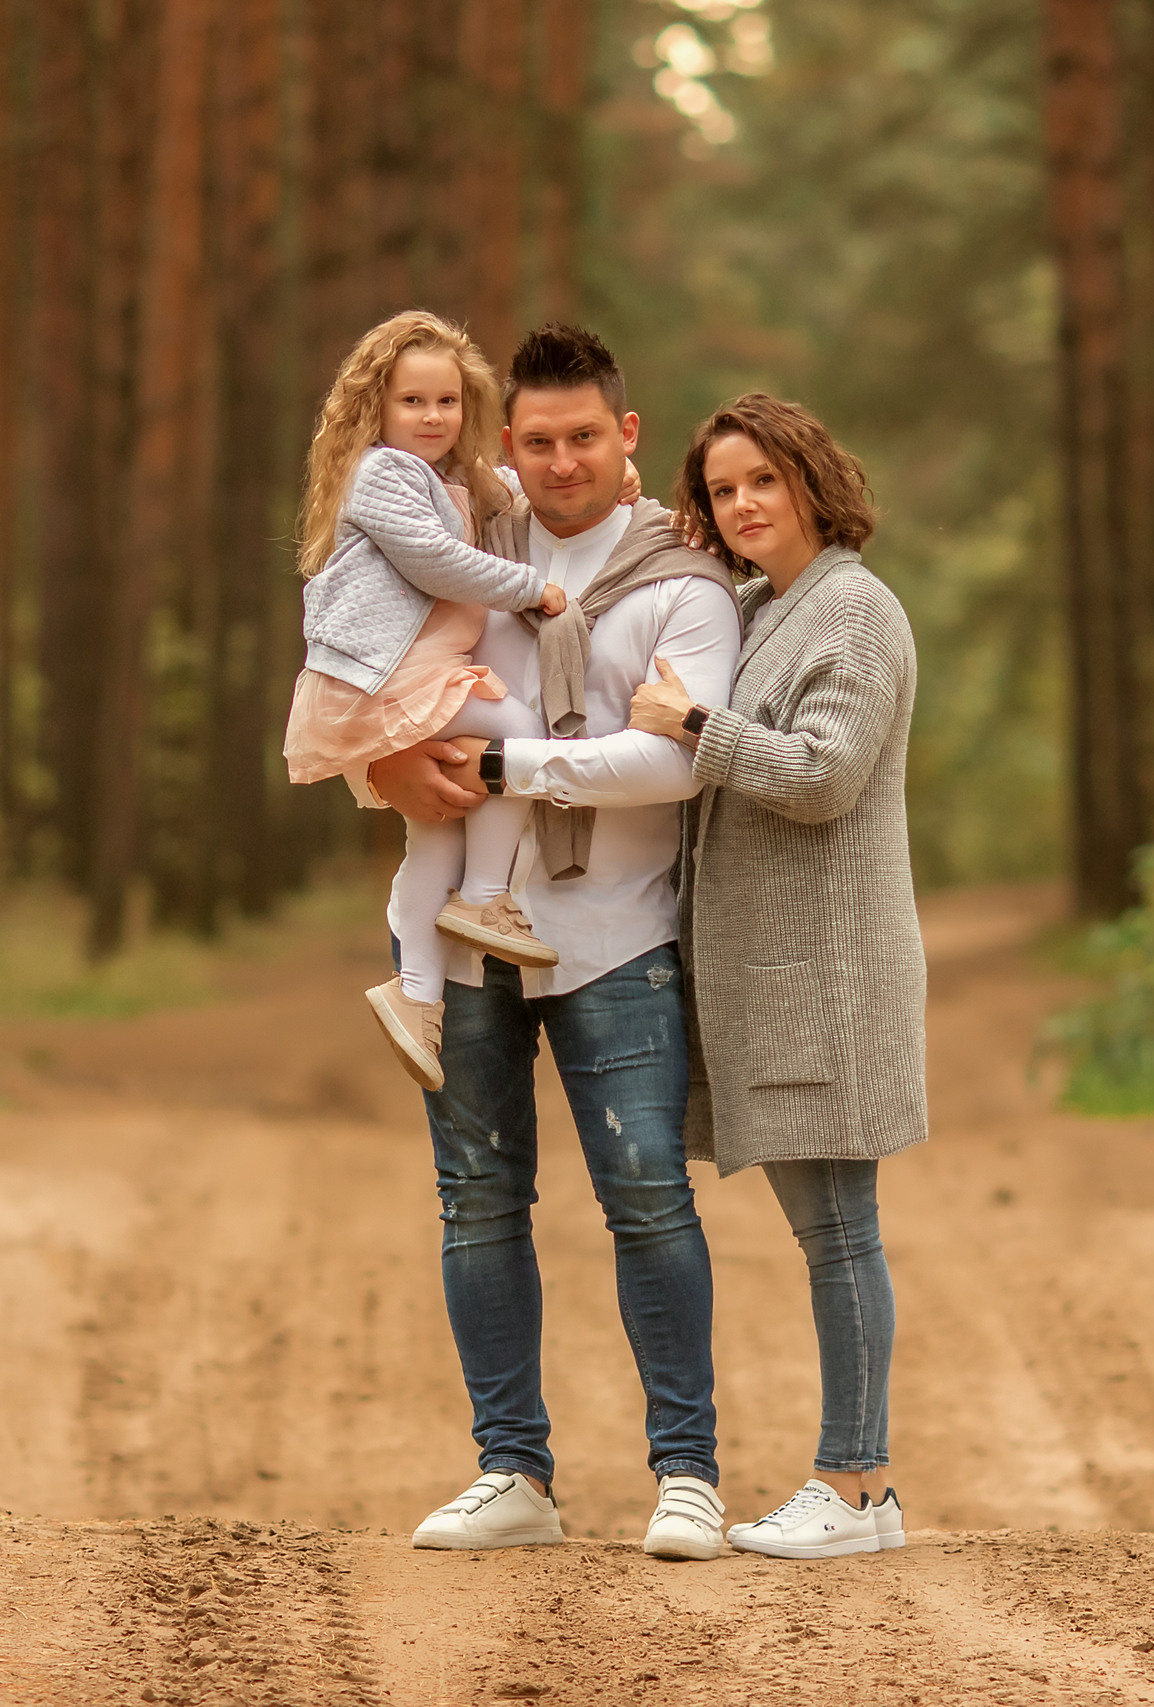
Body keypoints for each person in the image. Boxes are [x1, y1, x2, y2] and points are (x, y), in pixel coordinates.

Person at [360, 325, 744, 1560]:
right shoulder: (464, 546)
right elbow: (377, 680)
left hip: (613, 935)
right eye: (537, 441)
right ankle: (510, 1471)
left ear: (625, 435)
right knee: (477, 1204)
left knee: (646, 1196)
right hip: (465, 938)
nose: (562, 461)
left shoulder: (684, 580)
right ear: (507, 444)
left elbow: (674, 763)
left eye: (584, 437)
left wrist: (503, 765)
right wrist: (385, 765)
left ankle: (687, 1475)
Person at [626, 392, 927, 1560]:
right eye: (721, 490)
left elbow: (822, 775)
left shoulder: (853, 609)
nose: (743, 504)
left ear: (812, 478)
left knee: (839, 1231)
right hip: (778, 977)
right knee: (827, 1231)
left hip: (829, 978)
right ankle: (859, 1490)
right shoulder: (758, 607)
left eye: (763, 479)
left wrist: (695, 724)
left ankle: (852, 1487)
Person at [282, 310, 576, 1091]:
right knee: (516, 731)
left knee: (437, 833)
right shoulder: (382, 473)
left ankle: (415, 994)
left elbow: (509, 486)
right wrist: (530, 588)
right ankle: (484, 898)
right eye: (413, 401)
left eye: (447, 401)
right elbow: (435, 560)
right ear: (376, 407)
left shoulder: (446, 476)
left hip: (417, 674)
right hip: (389, 676)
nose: (433, 416)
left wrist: (608, 482)